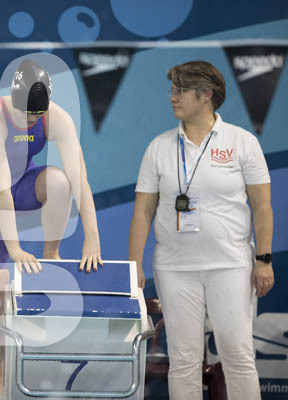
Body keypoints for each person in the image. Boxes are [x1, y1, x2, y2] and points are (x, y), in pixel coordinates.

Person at [129, 60, 274, 399]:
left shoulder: (242, 142)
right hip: (175, 268)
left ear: (206, 95)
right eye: (172, 90)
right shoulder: (159, 147)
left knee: (237, 356)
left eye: (180, 91)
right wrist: (134, 266)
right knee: (183, 360)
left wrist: (264, 259)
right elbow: (143, 211)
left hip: (231, 265)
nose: (172, 97)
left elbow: (262, 206)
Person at [0, 58, 102, 399]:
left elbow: (80, 179)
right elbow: (0, 193)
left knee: (59, 181)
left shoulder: (56, 117)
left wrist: (92, 237)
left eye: (35, 116)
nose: (29, 121)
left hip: (24, 182)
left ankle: (51, 253)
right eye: (24, 114)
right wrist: (13, 249)